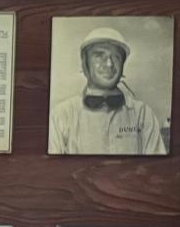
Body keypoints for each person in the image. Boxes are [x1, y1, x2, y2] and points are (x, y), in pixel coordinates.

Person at [48, 27, 168, 155]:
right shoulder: (61, 115)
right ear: (85, 62)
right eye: (99, 55)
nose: (110, 64)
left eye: (116, 57)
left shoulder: (143, 114)